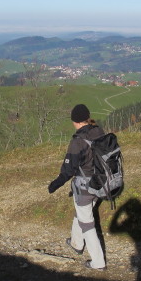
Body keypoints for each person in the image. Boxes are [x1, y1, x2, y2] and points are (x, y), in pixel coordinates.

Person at [48, 104, 106, 270]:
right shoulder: (99, 132)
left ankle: (98, 262)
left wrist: (54, 185)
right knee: (82, 212)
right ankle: (76, 243)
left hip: (85, 186)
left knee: (87, 223)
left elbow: (68, 170)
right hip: (100, 182)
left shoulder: (78, 141)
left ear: (75, 121)